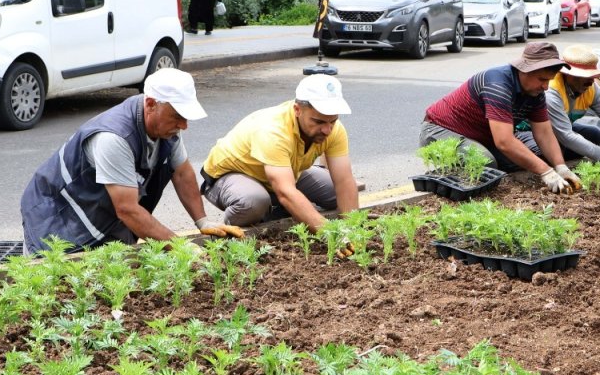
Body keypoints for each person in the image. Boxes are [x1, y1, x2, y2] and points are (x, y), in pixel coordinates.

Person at [21, 68, 234, 253]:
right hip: (56, 218)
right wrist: (179, 246)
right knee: (59, 281)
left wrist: (202, 221)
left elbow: (181, 172)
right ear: (151, 104)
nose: (184, 125)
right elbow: (127, 209)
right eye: (178, 116)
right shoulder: (114, 138)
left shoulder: (167, 129)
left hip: (102, 215)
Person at [200, 75, 358, 233]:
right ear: (297, 110)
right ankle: (244, 224)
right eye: (318, 122)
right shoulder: (274, 130)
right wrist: (329, 232)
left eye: (333, 121)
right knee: (254, 202)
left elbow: (344, 181)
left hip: (281, 171)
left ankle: (285, 209)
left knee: (334, 193)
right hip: (230, 176)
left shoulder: (334, 130)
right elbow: (285, 191)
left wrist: (353, 231)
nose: (327, 130)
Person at [420, 41, 583, 194]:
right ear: (525, 70)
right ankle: (441, 176)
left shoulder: (536, 92)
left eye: (549, 80)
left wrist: (560, 167)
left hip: (485, 138)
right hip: (441, 132)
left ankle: (492, 167)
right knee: (485, 163)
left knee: (543, 155)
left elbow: (545, 134)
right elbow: (504, 141)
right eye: (542, 79)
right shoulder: (498, 84)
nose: (546, 86)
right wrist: (546, 172)